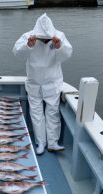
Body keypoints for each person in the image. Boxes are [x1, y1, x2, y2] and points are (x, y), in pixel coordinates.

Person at [13, 13, 73, 155]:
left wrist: (60, 47)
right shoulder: (28, 36)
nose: (45, 41)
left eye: (47, 39)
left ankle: (53, 143)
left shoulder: (59, 36)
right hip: (34, 82)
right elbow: (16, 52)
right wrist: (28, 45)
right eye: (42, 39)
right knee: (36, 114)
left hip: (52, 82)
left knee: (53, 113)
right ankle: (41, 142)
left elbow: (67, 55)